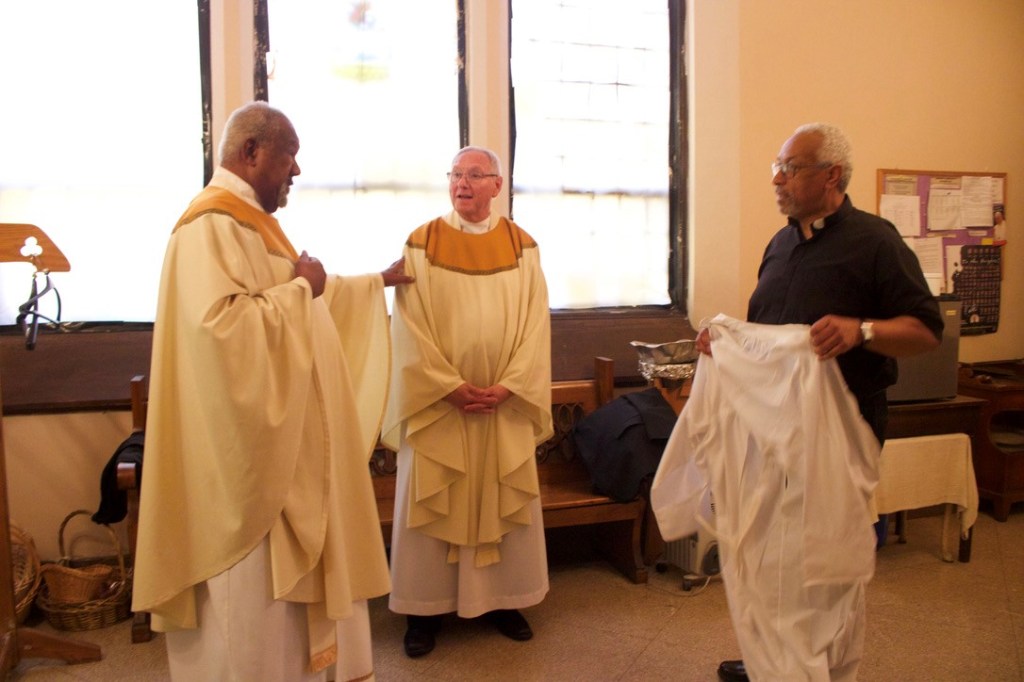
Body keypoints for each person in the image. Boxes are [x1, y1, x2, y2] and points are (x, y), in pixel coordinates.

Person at [132, 101, 413, 682]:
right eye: (290, 156)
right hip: (249, 464)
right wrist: (301, 290)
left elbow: (305, 294)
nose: (297, 171)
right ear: (251, 151)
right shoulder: (209, 226)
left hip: (292, 452)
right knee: (255, 615)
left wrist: (372, 282)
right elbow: (222, 332)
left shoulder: (251, 224)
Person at [652, 123, 942, 682]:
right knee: (767, 556)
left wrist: (862, 330)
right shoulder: (779, 245)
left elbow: (926, 331)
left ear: (831, 175)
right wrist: (724, 345)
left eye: (790, 169)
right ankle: (775, 656)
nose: (777, 180)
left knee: (816, 563)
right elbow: (768, 338)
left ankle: (807, 663)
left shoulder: (876, 241)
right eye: (776, 169)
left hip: (839, 430)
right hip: (770, 432)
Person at [381, 145, 553, 658]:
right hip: (440, 406)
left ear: (497, 185)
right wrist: (446, 385)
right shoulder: (422, 242)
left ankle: (504, 600)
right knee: (433, 501)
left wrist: (511, 385)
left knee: (503, 498)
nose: (462, 183)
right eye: (456, 174)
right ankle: (422, 610)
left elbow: (536, 324)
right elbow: (409, 326)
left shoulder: (523, 247)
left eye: (475, 175)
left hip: (503, 404)